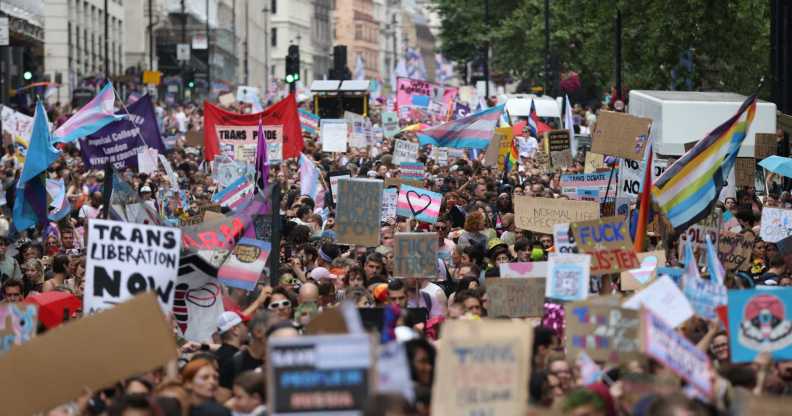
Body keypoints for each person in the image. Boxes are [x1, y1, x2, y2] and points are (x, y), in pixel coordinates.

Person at [215, 311, 248, 390]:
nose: (246, 328)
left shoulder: (216, 355)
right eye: (243, 324)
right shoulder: (238, 359)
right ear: (235, 330)